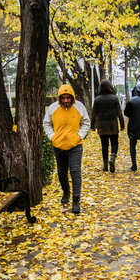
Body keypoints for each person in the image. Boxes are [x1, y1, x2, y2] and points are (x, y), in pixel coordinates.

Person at [43, 84, 91, 214]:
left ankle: (76, 200)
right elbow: (46, 123)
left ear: (72, 97)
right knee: (61, 172)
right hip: (58, 146)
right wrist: (52, 137)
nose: (65, 100)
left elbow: (86, 122)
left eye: (68, 98)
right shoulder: (53, 108)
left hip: (75, 145)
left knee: (75, 172)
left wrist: (79, 136)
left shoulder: (79, 107)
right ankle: (66, 192)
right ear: (59, 98)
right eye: (63, 98)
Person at [91, 79, 125, 173]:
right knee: (115, 143)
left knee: (104, 145)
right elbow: (119, 113)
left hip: (101, 126)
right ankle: (112, 158)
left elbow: (93, 114)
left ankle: (105, 165)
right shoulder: (114, 98)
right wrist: (122, 125)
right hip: (112, 125)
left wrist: (92, 126)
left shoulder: (97, 99)